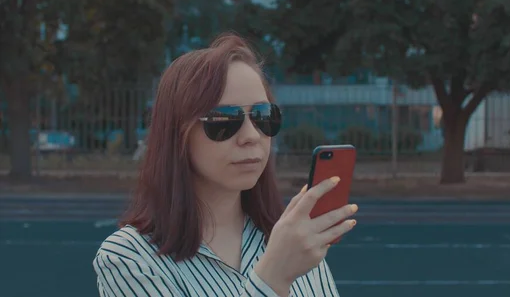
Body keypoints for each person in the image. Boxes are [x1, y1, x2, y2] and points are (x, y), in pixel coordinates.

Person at [92, 33, 359, 297]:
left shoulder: (290, 239)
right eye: (224, 120)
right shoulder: (129, 258)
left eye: (263, 116)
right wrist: (272, 279)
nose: (252, 136)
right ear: (177, 134)